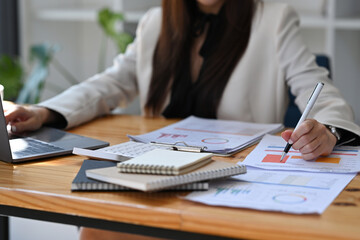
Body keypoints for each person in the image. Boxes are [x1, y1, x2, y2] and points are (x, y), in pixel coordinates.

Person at [4, 0, 360, 239]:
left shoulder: (273, 19)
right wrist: (44, 112)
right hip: (158, 174)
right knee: (100, 228)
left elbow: (317, 87)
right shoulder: (156, 22)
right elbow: (111, 83)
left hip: (229, 176)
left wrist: (328, 129)